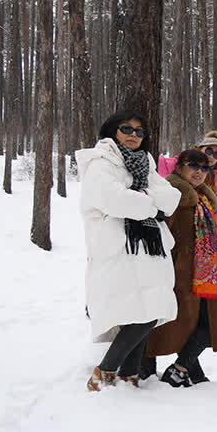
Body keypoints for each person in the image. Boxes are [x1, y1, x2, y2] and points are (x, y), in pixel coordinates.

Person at [76, 110, 181, 391]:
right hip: (118, 250)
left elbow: (172, 198)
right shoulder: (100, 163)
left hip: (149, 248)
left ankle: (129, 375)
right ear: (112, 132)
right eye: (127, 129)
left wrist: (141, 200)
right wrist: (149, 202)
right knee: (139, 312)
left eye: (140, 131)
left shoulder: (146, 163)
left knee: (148, 309)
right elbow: (115, 200)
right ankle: (105, 372)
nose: (134, 135)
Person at [145, 149, 217, 387]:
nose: (199, 172)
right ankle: (178, 370)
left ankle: (182, 368)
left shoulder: (203, 197)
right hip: (179, 276)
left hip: (205, 274)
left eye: (205, 168)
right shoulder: (171, 197)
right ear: (179, 167)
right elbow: (159, 237)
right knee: (188, 325)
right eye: (193, 165)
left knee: (207, 325)